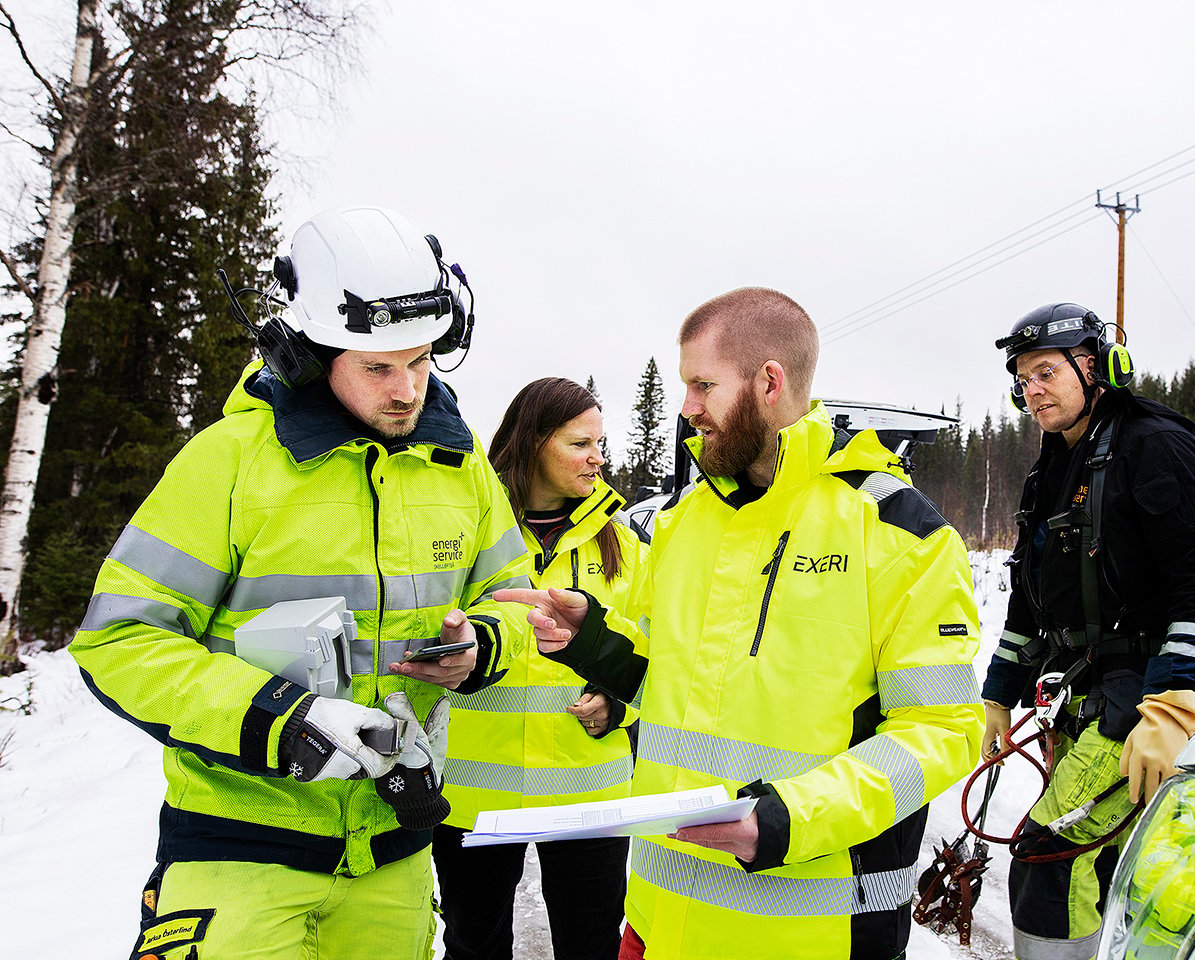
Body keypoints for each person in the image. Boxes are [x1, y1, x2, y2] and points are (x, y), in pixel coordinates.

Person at [69, 205, 533, 960]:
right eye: (378, 367)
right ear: (311, 352)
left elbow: (512, 601)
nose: (407, 390)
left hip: (395, 849)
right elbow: (119, 640)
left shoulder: (463, 466)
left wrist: (481, 647)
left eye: (421, 361)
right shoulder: (228, 462)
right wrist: (277, 719)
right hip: (239, 851)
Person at [497, 287, 984, 960]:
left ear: (769, 382)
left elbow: (941, 733)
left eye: (703, 386)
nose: (687, 408)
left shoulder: (899, 533)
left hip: (810, 937)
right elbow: (673, 688)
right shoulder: (681, 523)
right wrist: (596, 642)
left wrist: (787, 820)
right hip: (658, 922)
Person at [982, 302, 1195, 960]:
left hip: (1141, 693)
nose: (1032, 389)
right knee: (1123, 866)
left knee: (1051, 859)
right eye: (1022, 378)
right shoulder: (1052, 468)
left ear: (1095, 367)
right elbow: (1032, 596)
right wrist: (999, 694)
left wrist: (1178, 699)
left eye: (1046, 372)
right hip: (1085, 693)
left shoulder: (1152, 443)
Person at [434, 377, 646, 960]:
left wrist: (618, 700)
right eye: (580, 444)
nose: (598, 457)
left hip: (590, 791)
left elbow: (653, 646)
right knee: (474, 946)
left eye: (600, 443)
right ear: (532, 443)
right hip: (475, 794)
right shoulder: (465, 531)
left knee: (592, 946)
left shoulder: (625, 544)